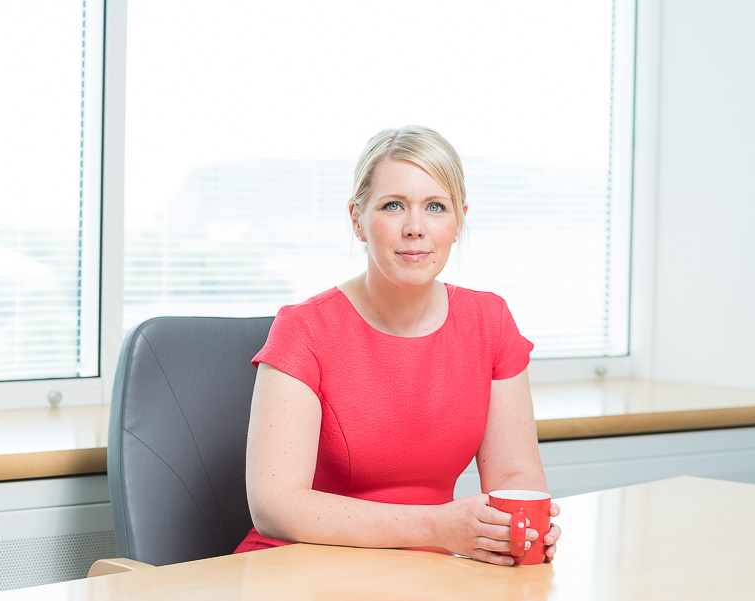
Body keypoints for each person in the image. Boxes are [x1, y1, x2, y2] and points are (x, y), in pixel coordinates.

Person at [234, 125, 560, 565]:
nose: (415, 228)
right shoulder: (304, 328)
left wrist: (521, 529)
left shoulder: (491, 321)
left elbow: (514, 474)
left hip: (426, 572)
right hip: (299, 569)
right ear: (357, 220)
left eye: (435, 207)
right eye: (393, 205)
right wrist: (438, 527)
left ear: (458, 220)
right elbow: (276, 507)